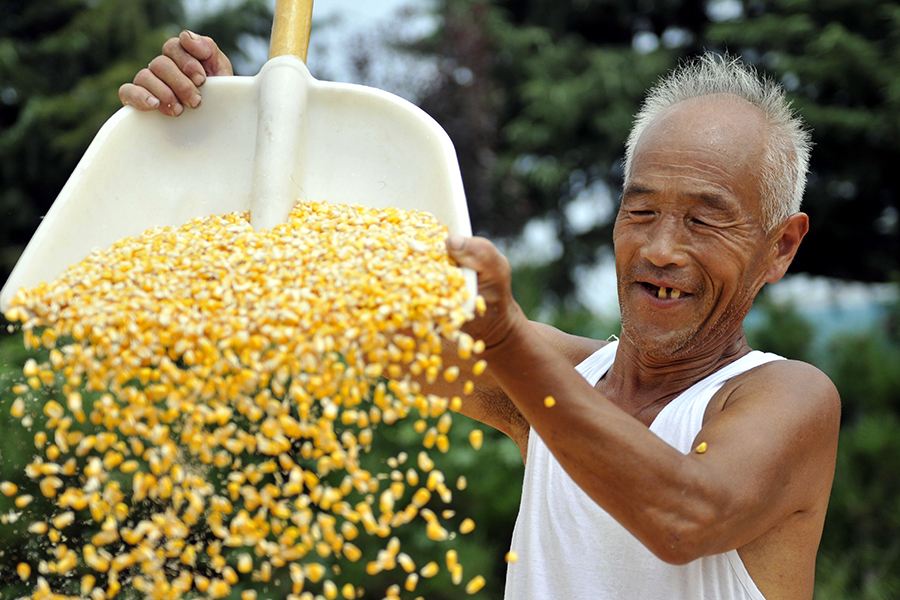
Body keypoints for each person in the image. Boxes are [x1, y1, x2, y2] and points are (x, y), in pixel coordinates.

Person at [122, 31, 841, 600]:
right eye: (641, 210)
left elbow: (685, 516)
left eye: (704, 223)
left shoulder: (787, 398)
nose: (659, 249)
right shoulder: (550, 380)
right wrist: (234, 140)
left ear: (780, 248)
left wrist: (503, 339)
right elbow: (317, 308)